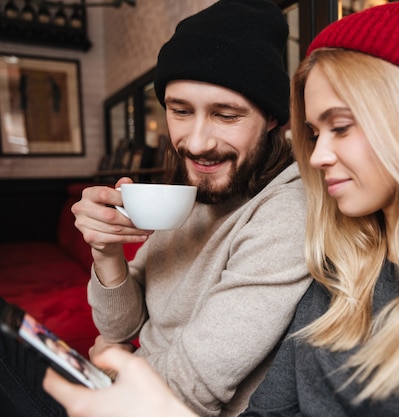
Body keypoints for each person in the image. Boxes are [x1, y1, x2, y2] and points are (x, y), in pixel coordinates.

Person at [43, 1, 399, 416]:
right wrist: (108, 254)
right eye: (314, 131)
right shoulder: (347, 257)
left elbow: (192, 387)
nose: (320, 156)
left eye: (342, 127)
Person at [0, 1, 311, 417]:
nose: (197, 142)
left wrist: (113, 368)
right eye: (180, 111)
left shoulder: (287, 211)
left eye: (226, 115)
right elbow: (120, 327)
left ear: (273, 118)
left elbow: (183, 393)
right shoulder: (195, 190)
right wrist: (105, 250)